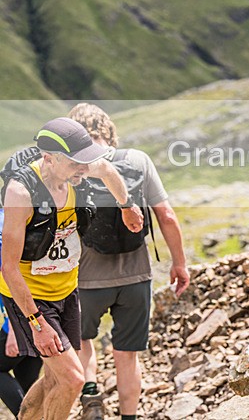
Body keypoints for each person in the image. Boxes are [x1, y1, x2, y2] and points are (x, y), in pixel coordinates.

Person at [0, 117, 143, 420]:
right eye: (77, 162)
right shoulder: (21, 194)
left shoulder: (79, 169)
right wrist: (36, 324)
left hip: (66, 291)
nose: (84, 168)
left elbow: (105, 169)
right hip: (30, 297)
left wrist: (127, 205)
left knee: (55, 377)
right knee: (73, 379)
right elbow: (8, 267)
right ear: (49, 159)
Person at [68, 103, 190, 420]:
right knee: (128, 356)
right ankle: (129, 417)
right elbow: (167, 215)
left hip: (85, 278)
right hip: (136, 277)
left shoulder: (73, 165)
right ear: (109, 130)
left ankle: (91, 394)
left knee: (81, 341)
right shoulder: (138, 160)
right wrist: (179, 263)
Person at [0, 208, 43, 417]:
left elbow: (14, 276)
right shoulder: (13, 216)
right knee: (28, 383)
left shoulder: (5, 227)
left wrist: (13, 329)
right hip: (42, 315)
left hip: (24, 317)